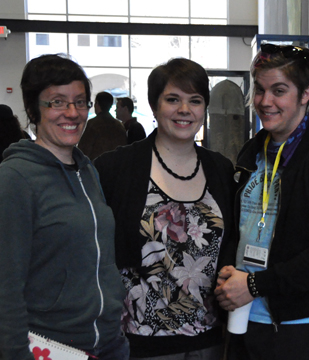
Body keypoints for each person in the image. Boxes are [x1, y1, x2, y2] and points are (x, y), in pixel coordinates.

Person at [214, 44, 309, 360]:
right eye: (260, 89)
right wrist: (230, 274)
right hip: (247, 317)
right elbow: (240, 228)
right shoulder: (251, 151)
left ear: (306, 94)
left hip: (305, 324)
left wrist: (255, 284)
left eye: (279, 90)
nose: (265, 102)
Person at [94, 58, 236, 359]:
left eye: (195, 100)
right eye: (173, 99)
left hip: (208, 341)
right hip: (138, 343)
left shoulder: (221, 170)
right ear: (155, 105)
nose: (184, 110)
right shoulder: (116, 168)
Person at [0, 54, 128, 359]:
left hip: (109, 344)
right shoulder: (15, 179)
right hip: (52, 348)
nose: (72, 112)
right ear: (33, 109)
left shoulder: (88, 171)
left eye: (80, 102)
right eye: (57, 102)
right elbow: (6, 288)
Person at [78, 91, 127, 160]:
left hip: (96, 167)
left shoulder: (93, 124)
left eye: (95, 103)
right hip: (116, 167)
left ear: (97, 103)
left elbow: (83, 150)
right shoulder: (119, 126)